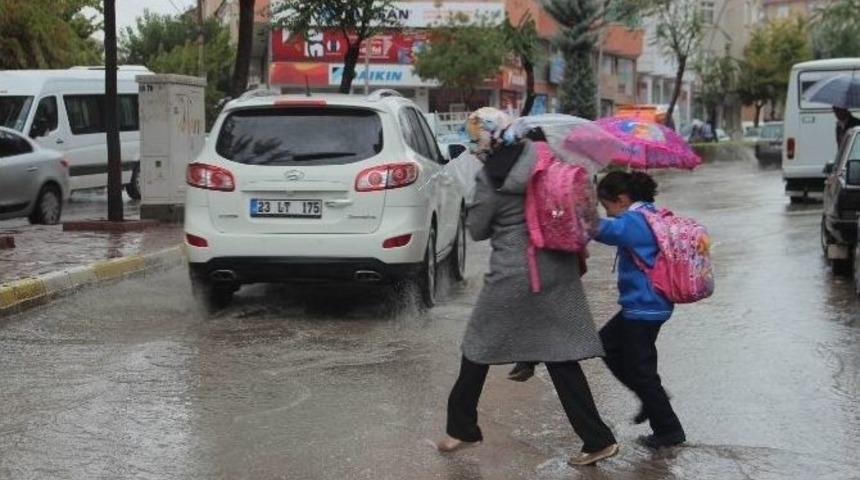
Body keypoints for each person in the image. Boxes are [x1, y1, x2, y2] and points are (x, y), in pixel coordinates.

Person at [434, 108, 619, 466]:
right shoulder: (548, 157)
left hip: (514, 273)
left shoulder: (493, 174)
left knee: (476, 346)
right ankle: (597, 439)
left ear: (487, 137)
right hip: (558, 267)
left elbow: (477, 230)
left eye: (476, 137)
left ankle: (463, 428)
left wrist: (472, 191)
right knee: (559, 352)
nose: (475, 144)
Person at [592, 171, 686, 450]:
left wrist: (580, 212)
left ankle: (668, 429)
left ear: (621, 199)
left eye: (607, 207)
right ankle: (650, 398)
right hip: (647, 304)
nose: (608, 213)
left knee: (643, 371)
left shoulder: (635, 220)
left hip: (643, 308)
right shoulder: (652, 213)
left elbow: (604, 231)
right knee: (605, 344)